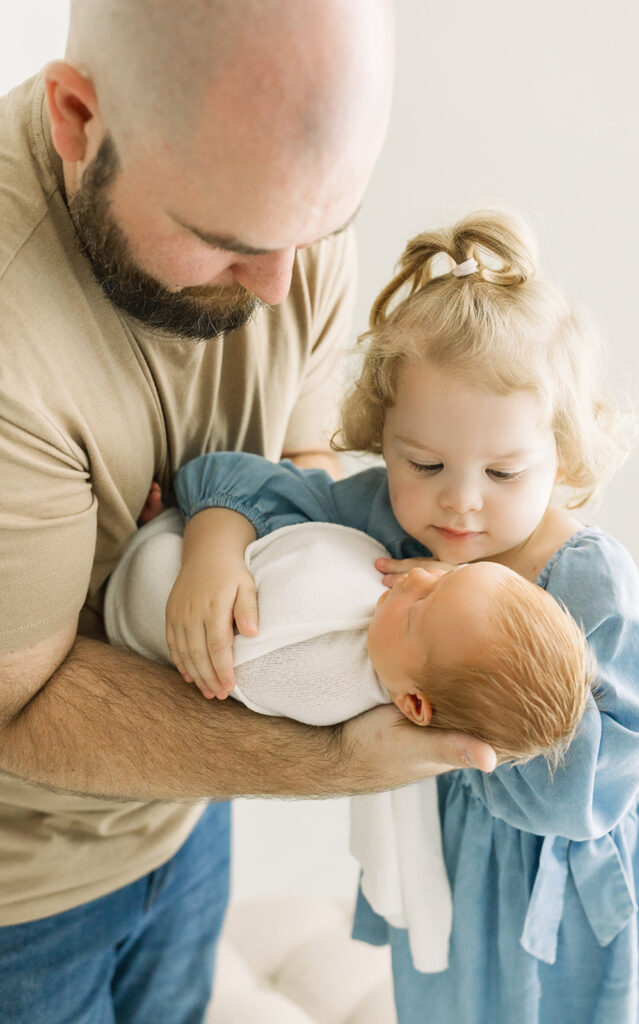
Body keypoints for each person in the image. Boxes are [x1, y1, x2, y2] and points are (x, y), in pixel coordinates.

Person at [0, 3, 496, 1022]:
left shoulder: (285, 227)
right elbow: (18, 708)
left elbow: (299, 474)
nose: (279, 287)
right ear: (78, 117)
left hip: (184, 826)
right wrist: (328, 759)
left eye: (319, 229)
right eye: (224, 242)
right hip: (23, 903)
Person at [142, 206, 639, 1020]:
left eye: (503, 472)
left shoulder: (585, 578)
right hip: (450, 855)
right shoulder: (394, 520)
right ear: (381, 437)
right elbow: (251, 481)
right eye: (423, 461)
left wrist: (448, 734)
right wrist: (214, 547)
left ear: (561, 456)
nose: (459, 503)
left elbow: (607, 768)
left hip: (572, 874)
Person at [105, 484, 592, 972]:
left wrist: (176, 535)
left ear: (415, 704)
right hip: (187, 548)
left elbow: (235, 656)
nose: (420, 574)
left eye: (425, 603)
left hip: (142, 600)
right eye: (447, 577)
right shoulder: (405, 647)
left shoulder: (325, 676)